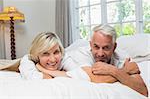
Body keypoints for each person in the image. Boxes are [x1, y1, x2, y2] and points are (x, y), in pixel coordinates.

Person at [19, 29, 147, 96]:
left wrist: (45, 69)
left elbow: (86, 77)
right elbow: (41, 80)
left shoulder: (65, 58)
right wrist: (124, 72)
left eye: (56, 52)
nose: (53, 59)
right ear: (37, 54)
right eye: (45, 54)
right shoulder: (28, 60)